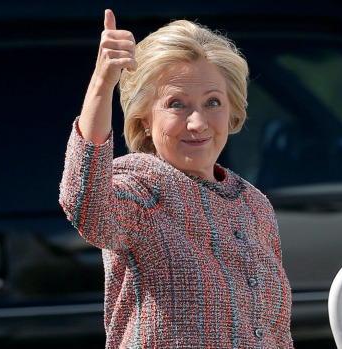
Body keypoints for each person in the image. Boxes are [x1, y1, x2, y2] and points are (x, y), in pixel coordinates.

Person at [59, 9, 293, 348]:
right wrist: (101, 84)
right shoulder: (140, 186)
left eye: (213, 102)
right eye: (176, 104)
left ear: (232, 111)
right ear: (143, 121)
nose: (197, 122)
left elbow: (276, 331)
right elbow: (86, 204)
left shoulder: (254, 203)